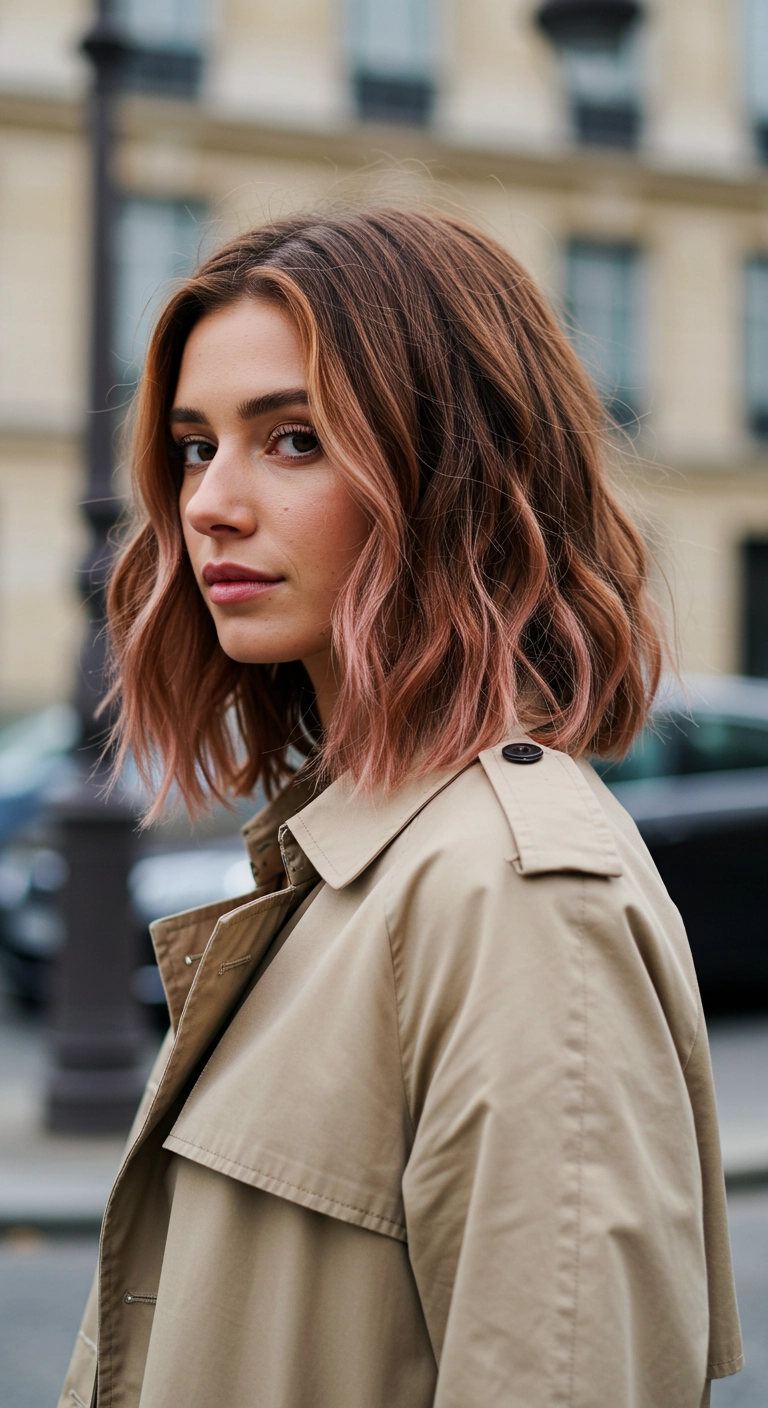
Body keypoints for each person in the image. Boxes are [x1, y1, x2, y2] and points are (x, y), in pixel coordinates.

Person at [59, 208, 742, 1408]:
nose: (209, 502)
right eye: (193, 445)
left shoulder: (516, 896)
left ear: (454, 473)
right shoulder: (347, 856)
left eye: (295, 439)